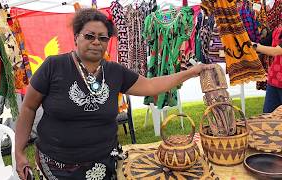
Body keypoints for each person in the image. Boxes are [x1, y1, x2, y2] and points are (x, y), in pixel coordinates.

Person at [15, 8, 215, 180]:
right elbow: (29, 107)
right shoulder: (54, 66)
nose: (96, 42)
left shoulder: (115, 72)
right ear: (76, 37)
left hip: (103, 163)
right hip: (56, 165)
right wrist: (19, 152)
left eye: (103, 38)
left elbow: (152, 86)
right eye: (89, 36)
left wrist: (190, 73)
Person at [252, 25, 282, 113]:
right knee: (268, 117)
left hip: (275, 79)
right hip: (274, 80)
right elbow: (263, 43)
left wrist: (252, 45)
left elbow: (276, 51)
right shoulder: (278, 30)